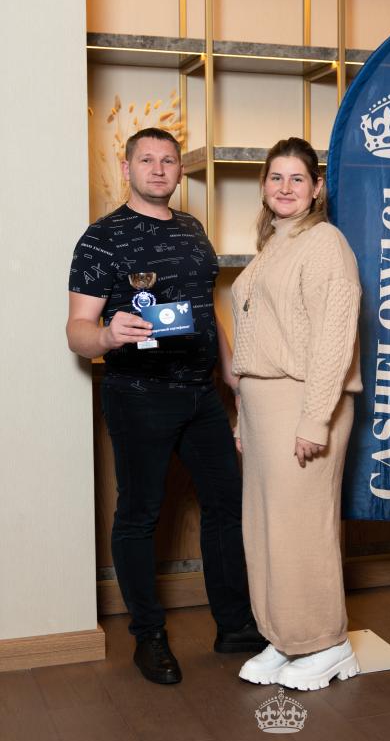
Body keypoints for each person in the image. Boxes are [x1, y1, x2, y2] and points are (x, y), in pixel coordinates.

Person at [66, 127, 264, 685]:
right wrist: (107, 336)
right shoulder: (101, 238)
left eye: (168, 160)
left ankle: (234, 626)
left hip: (201, 394)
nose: (158, 169)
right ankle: (148, 636)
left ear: (180, 170)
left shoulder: (192, 230)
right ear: (126, 168)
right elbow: (76, 330)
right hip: (138, 396)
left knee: (227, 505)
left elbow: (206, 308)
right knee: (139, 515)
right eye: (147, 160)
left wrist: (231, 371)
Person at [231, 137, 362, 692]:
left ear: (317, 188)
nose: (285, 188)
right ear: (264, 186)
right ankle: (286, 636)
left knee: (301, 528)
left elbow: (333, 337)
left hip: (304, 400)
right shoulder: (272, 245)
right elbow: (254, 337)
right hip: (263, 406)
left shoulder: (325, 243)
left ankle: (326, 642)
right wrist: (242, 413)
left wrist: (314, 419)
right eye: (276, 177)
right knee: (266, 528)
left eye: (297, 179)